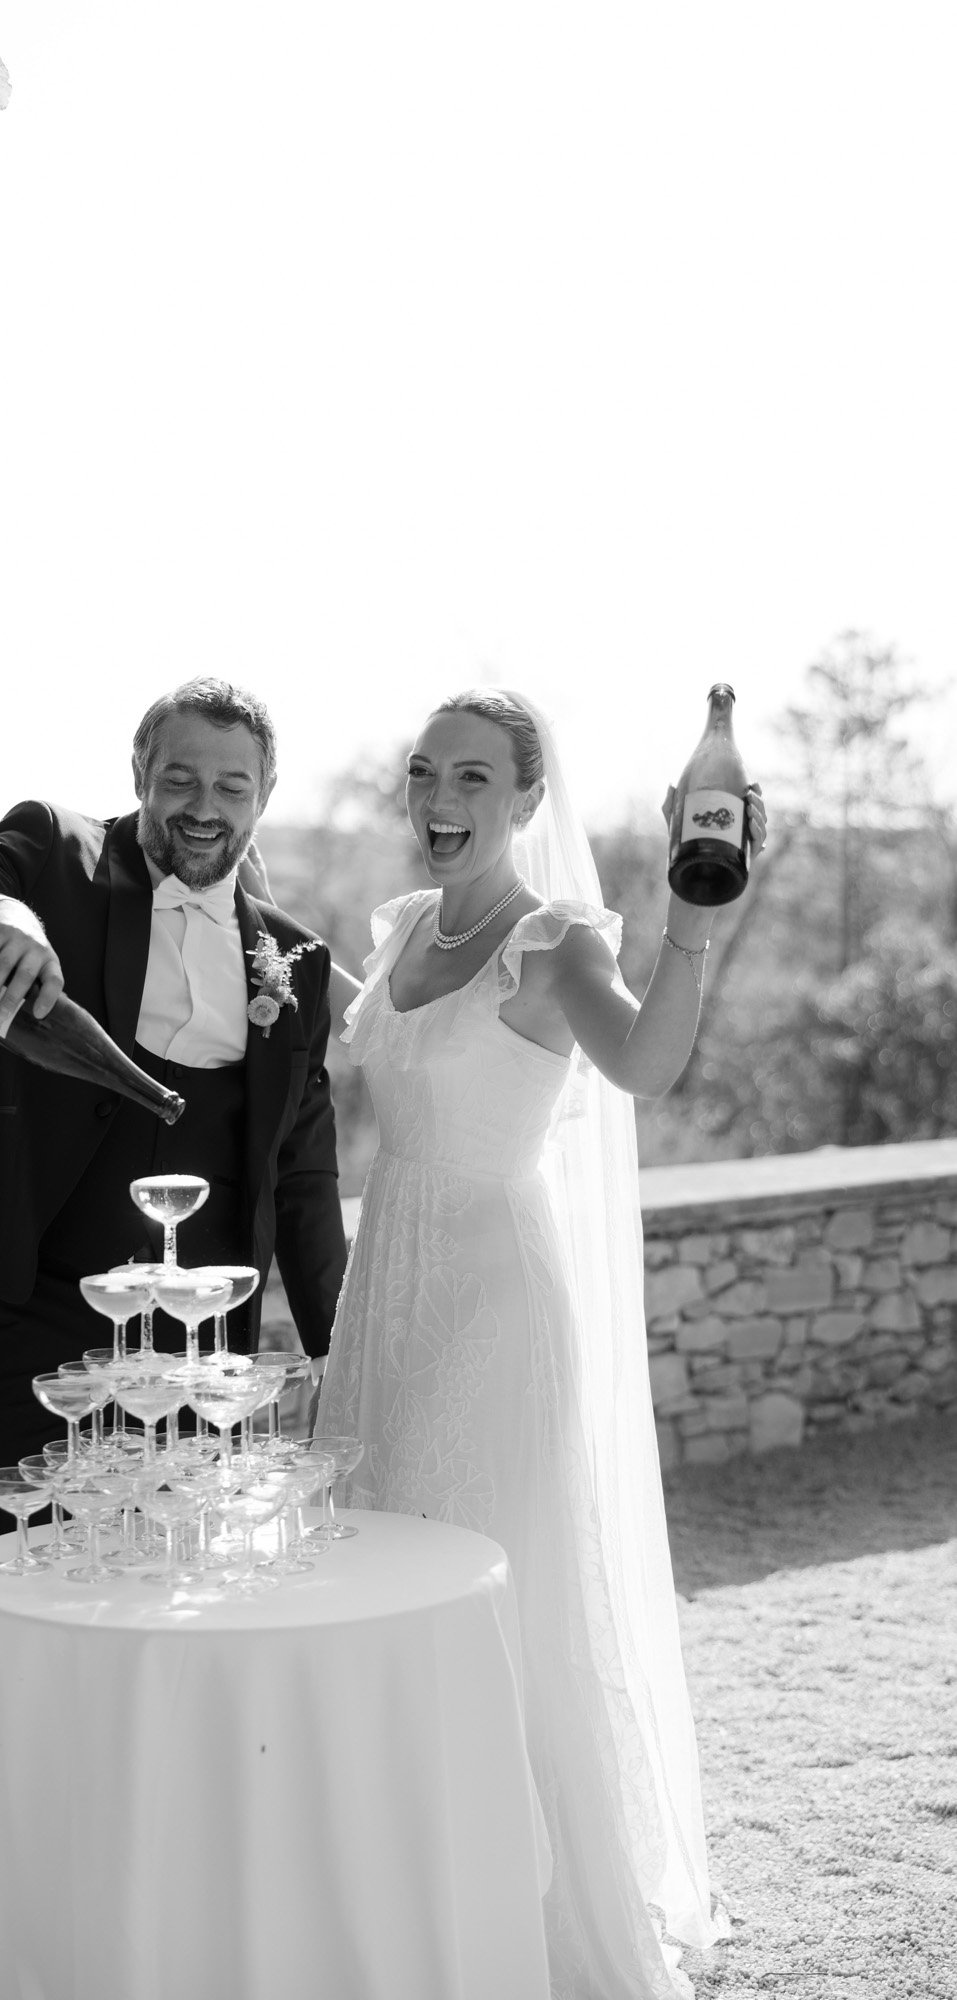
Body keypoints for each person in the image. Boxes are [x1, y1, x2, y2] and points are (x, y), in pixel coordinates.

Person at [314, 687, 767, 2000]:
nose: (439, 799)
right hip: (384, 1291)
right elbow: (376, 1051)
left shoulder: (554, 942)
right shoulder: (403, 931)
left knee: (489, 1595)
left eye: (472, 777)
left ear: (525, 798)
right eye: (424, 772)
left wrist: (690, 918)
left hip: (491, 1304)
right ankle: (398, 1892)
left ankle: (514, 1921)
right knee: (381, 1569)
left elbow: (647, 1064)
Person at [0, 678, 348, 1554]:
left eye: (231, 787)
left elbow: (301, 1165)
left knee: (174, 1564)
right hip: (33, 1305)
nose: (204, 808)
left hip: (198, 1334)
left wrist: (334, 1345)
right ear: (139, 773)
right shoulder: (58, 852)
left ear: (264, 796)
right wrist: (0, 912)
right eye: (179, 779)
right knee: (17, 1553)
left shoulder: (293, 957)